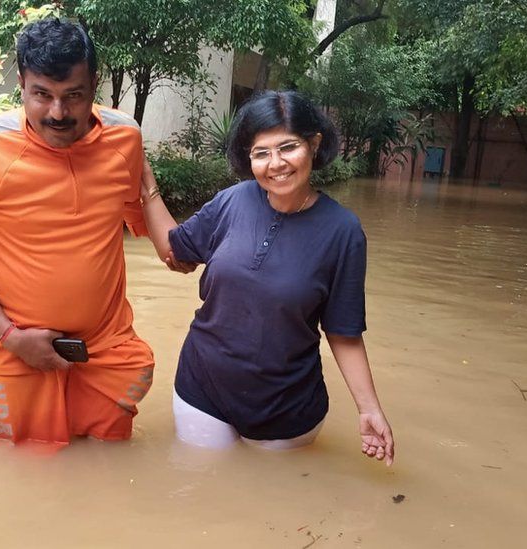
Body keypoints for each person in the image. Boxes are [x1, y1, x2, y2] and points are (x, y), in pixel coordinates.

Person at [0, 19, 155, 446]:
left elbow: (141, 217)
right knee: (24, 473)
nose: (58, 113)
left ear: (95, 84)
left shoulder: (125, 137)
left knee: (110, 469)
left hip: (105, 351)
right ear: (21, 84)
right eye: (42, 95)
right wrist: (12, 337)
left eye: (74, 95)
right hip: (16, 354)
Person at [141, 90, 395, 463]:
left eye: (288, 147)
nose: (276, 163)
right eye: (261, 153)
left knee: (273, 509)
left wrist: (369, 408)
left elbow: (343, 331)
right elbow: (175, 252)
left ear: (314, 144)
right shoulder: (232, 201)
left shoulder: (343, 231)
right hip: (203, 390)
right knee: (196, 495)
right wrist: (145, 184)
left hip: (286, 410)